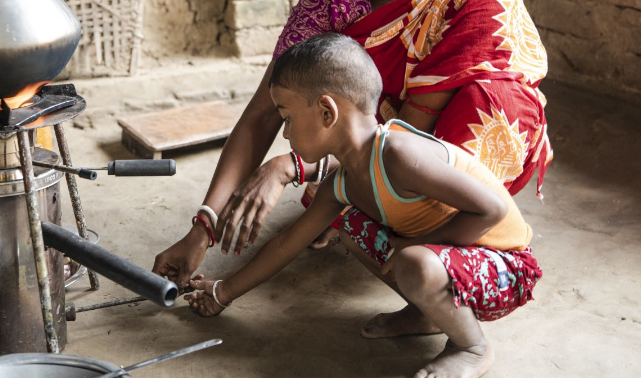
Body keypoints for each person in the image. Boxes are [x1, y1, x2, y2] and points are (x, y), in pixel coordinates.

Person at [153, 0, 552, 322]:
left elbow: (407, 139)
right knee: (320, 115)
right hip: (368, 155)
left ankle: (448, 260)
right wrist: (203, 228)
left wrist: (290, 167)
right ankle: (377, 228)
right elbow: (263, 111)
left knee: (496, 100)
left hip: (427, 163)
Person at [185, 33, 542, 378]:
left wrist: (415, 247)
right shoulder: (343, 183)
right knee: (352, 227)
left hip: (506, 265)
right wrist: (223, 292)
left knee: (412, 261)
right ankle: (428, 312)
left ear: (327, 112)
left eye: (288, 117)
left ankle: (472, 347)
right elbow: (287, 243)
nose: (286, 134)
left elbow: (491, 210)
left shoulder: (400, 155)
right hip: (452, 261)